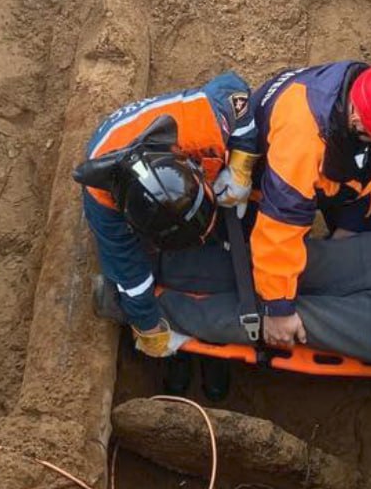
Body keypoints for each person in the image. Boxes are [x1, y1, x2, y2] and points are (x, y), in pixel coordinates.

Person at [73, 71, 258, 358]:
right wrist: (149, 328)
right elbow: (130, 274)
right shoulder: (104, 206)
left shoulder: (203, 120)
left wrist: (241, 166)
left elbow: (238, 92)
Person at [248, 63, 371, 348]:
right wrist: (278, 307)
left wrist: (351, 224)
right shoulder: (302, 131)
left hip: (330, 167)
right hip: (263, 182)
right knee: (257, 268)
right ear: (357, 119)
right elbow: (281, 220)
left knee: (364, 237)